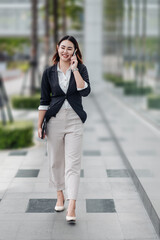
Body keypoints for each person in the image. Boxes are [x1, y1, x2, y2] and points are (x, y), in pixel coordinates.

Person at [38, 35, 91, 223]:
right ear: (57, 48)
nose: (65, 51)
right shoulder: (49, 73)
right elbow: (44, 101)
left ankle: (72, 205)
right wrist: (39, 125)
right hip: (54, 121)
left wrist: (75, 69)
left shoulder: (81, 69)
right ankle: (60, 194)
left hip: (75, 121)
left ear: (75, 51)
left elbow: (84, 90)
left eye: (70, 48)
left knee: (73, 165)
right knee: (55, 162)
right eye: (63, 47)